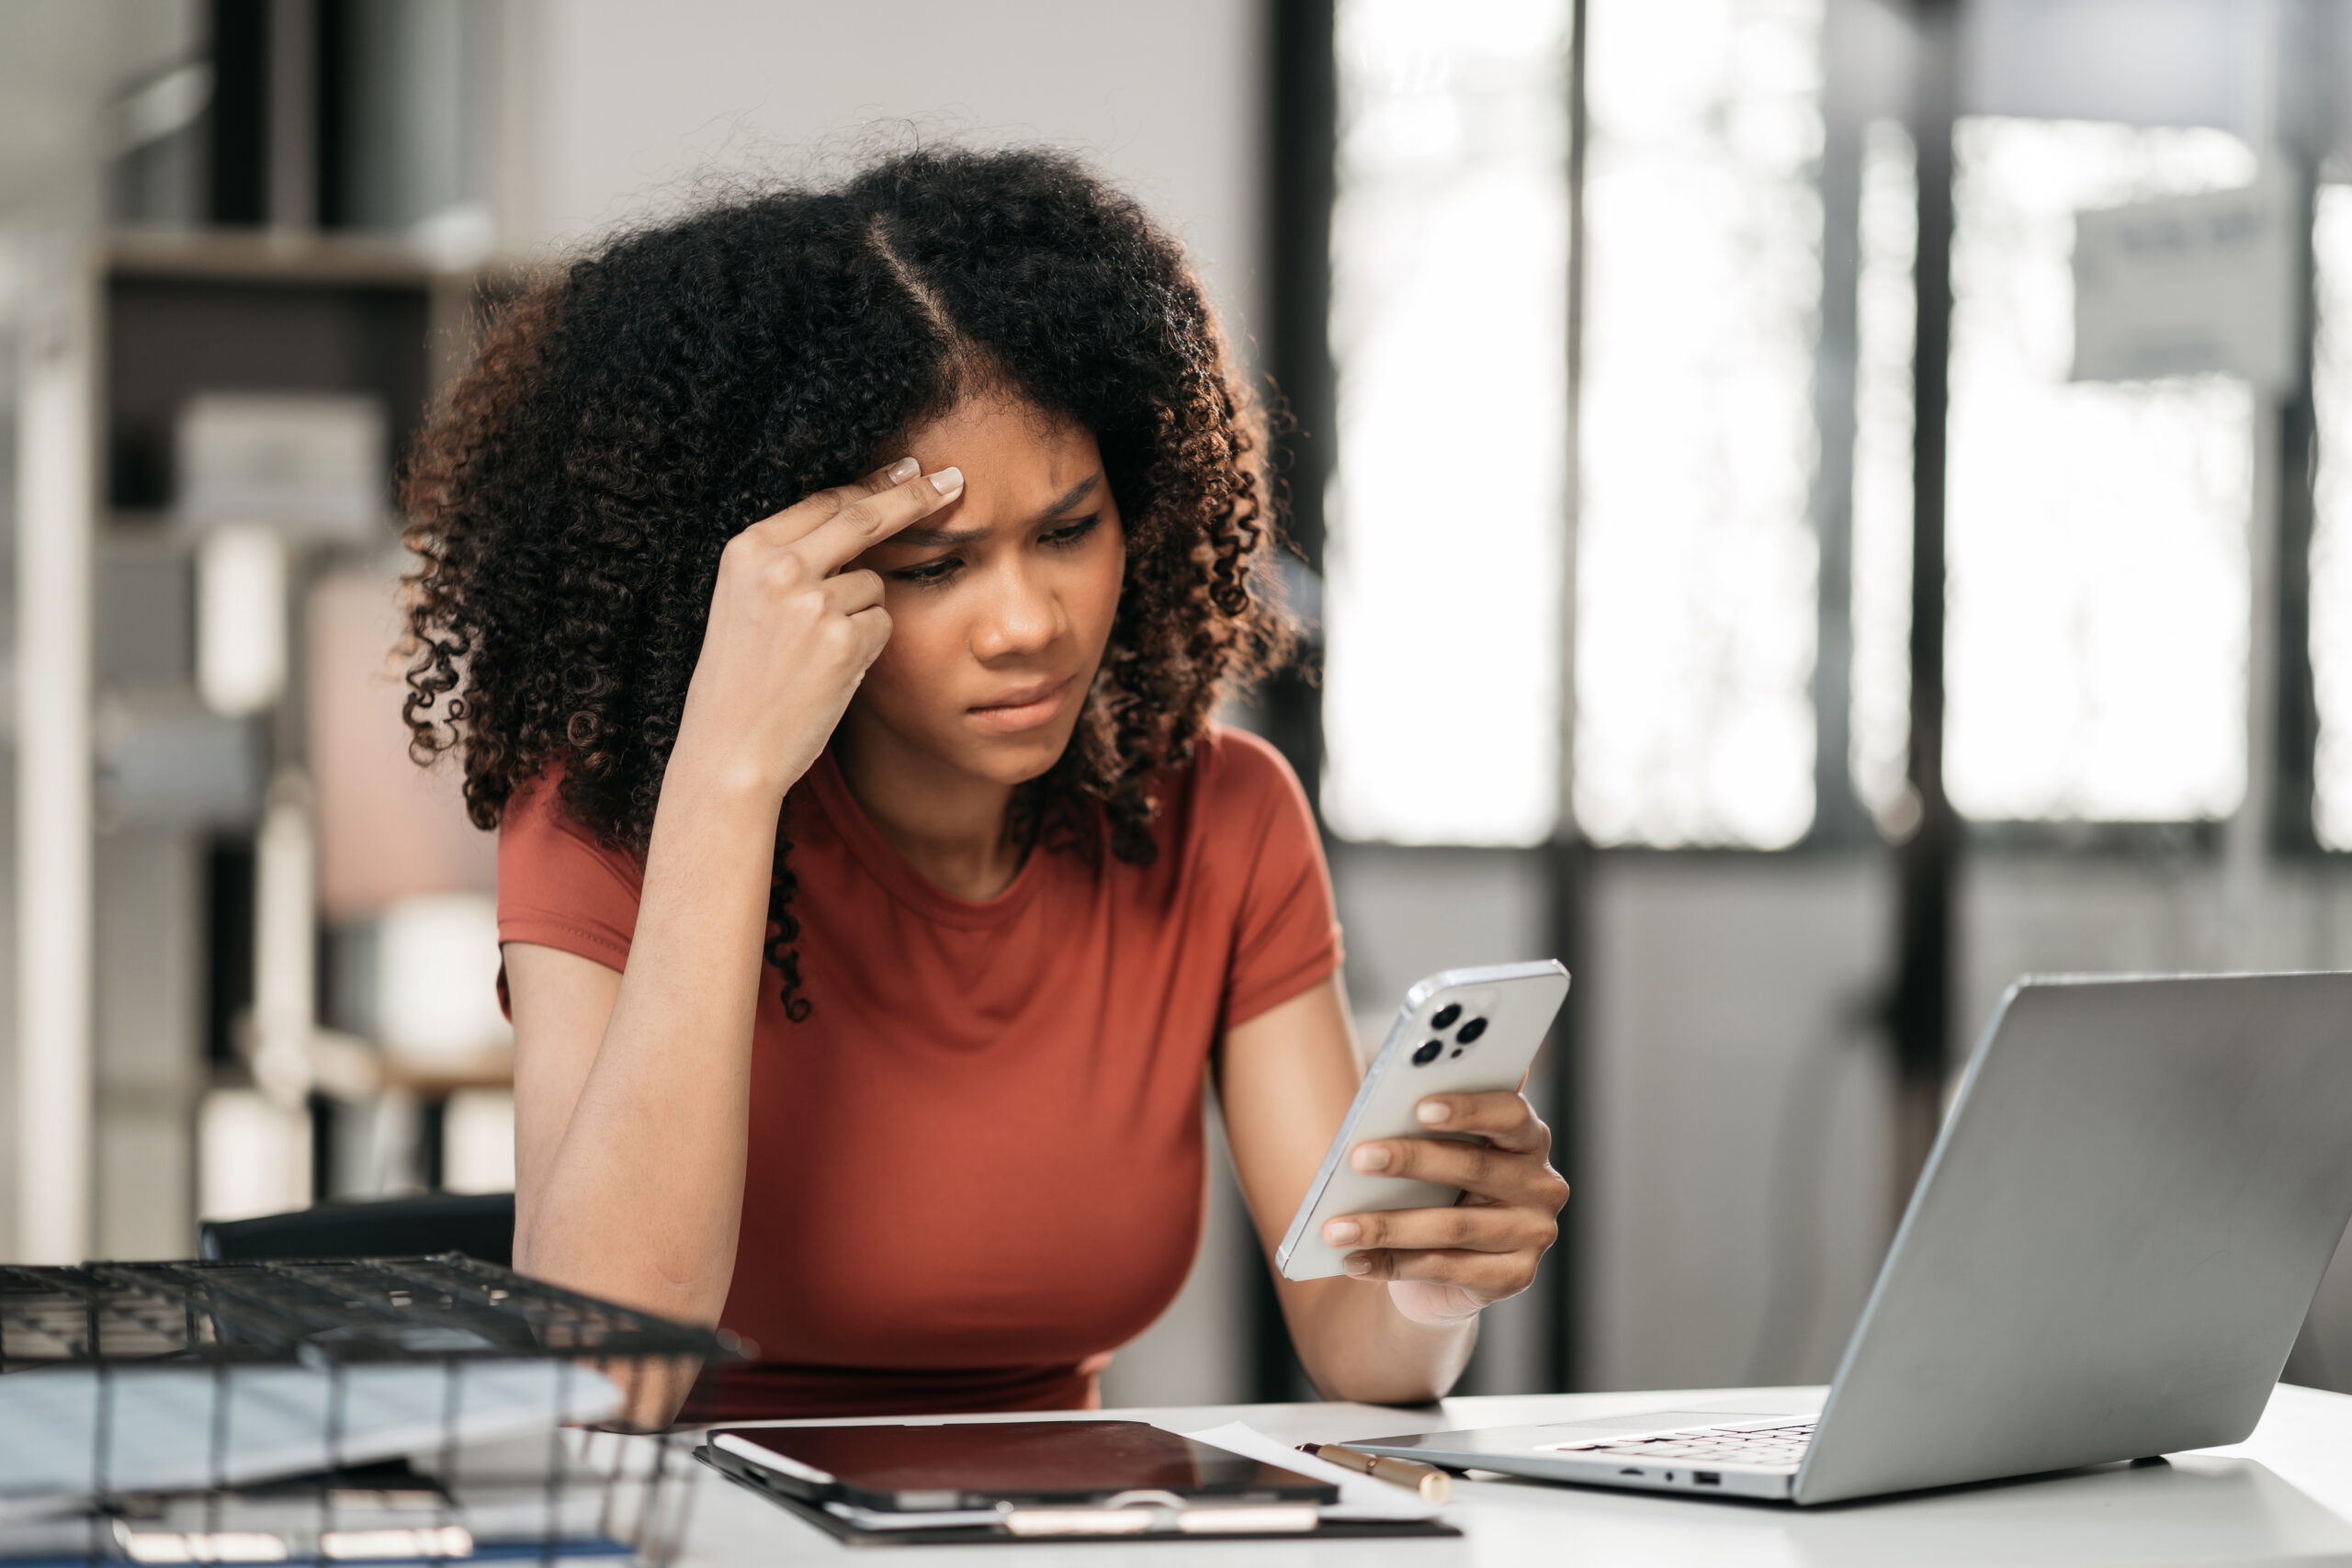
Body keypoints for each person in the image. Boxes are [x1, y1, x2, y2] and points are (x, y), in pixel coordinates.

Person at [399, 146, 1567, 1424]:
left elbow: (1359, 1353)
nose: (1025, 622)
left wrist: (1434, 1277)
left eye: (1067, 532)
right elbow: (606, 1383)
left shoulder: (1223, 819)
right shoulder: (608, 816)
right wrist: (726, 781)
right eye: (935, 564)